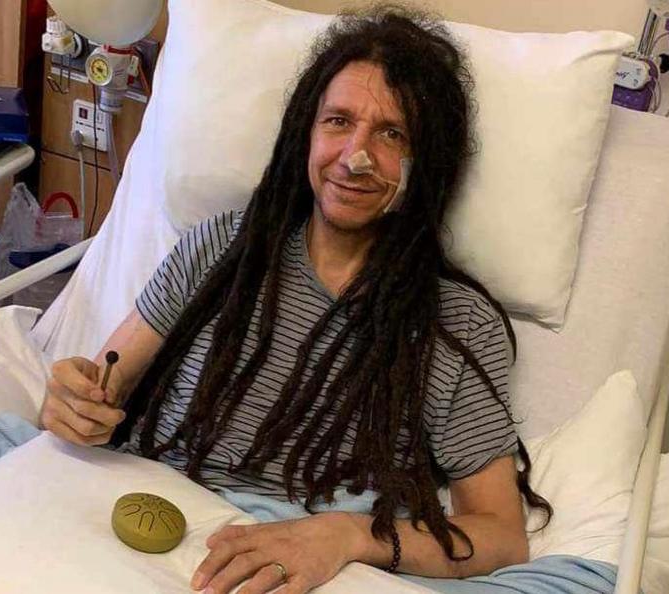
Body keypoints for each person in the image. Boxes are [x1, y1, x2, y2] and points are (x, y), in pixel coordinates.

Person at [39, 5, 552, 593]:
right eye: (338, 121)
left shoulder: (456, 325)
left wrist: (349, 535)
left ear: (426, 164)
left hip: (306, 570)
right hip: (148, 518)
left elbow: (500, 536)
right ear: (306, 133)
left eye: (392, 134)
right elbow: (106, 386)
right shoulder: (220, 248)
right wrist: (75, 403)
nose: (355, 157)